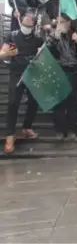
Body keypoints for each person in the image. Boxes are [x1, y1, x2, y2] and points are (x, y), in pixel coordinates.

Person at [0, 11, 44, 153]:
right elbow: (2, 53)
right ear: (21, 20)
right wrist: (7, 53)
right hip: (16, 74)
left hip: (31, 74)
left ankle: (27, 127)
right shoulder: (12, 36)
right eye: (26, 18)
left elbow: (43, 54)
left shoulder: (37, 39)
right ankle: (10, 136)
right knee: (13, 103)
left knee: (33, 101)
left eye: (31, 19)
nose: (28, 20)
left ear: (34, 23)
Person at [46, 14, 77, 139]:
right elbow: (48, 51)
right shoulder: (52, 35)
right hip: (59, 70)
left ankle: (72, 128)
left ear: (69, 22)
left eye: (64, 22)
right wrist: (55, 38)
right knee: (59, 101)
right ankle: (59, 129)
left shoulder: (74, 34)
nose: (62, 24)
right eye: (60, 22)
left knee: (73, 101)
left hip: (73, 71)